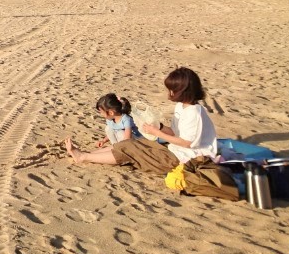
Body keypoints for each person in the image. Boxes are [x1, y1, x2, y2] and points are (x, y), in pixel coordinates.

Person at [66, 67, 218, 174]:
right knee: (129, 144)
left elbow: (187, 143)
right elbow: (175, 133)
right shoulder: (181, 107)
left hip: (186, 159)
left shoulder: (194, 113)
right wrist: (158, 126)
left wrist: (157, 132)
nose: (169, 93)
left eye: (172, 89)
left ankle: (83, 157)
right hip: (174, 150)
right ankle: (88, 153)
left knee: (130, 149)